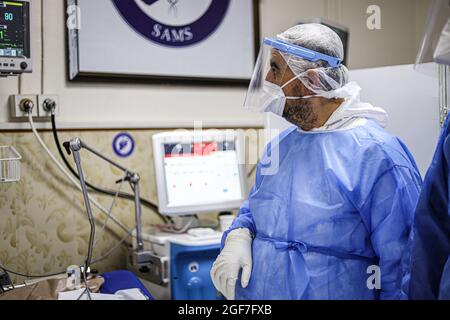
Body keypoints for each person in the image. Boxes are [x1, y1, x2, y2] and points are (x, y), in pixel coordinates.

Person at [210, 23, 422, 300]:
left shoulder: (377, 155)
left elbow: (405, 264)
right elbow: (257, 209)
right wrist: (239, 234)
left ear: (312, 79)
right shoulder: (282, 146)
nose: (268, 81)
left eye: (275, 68)